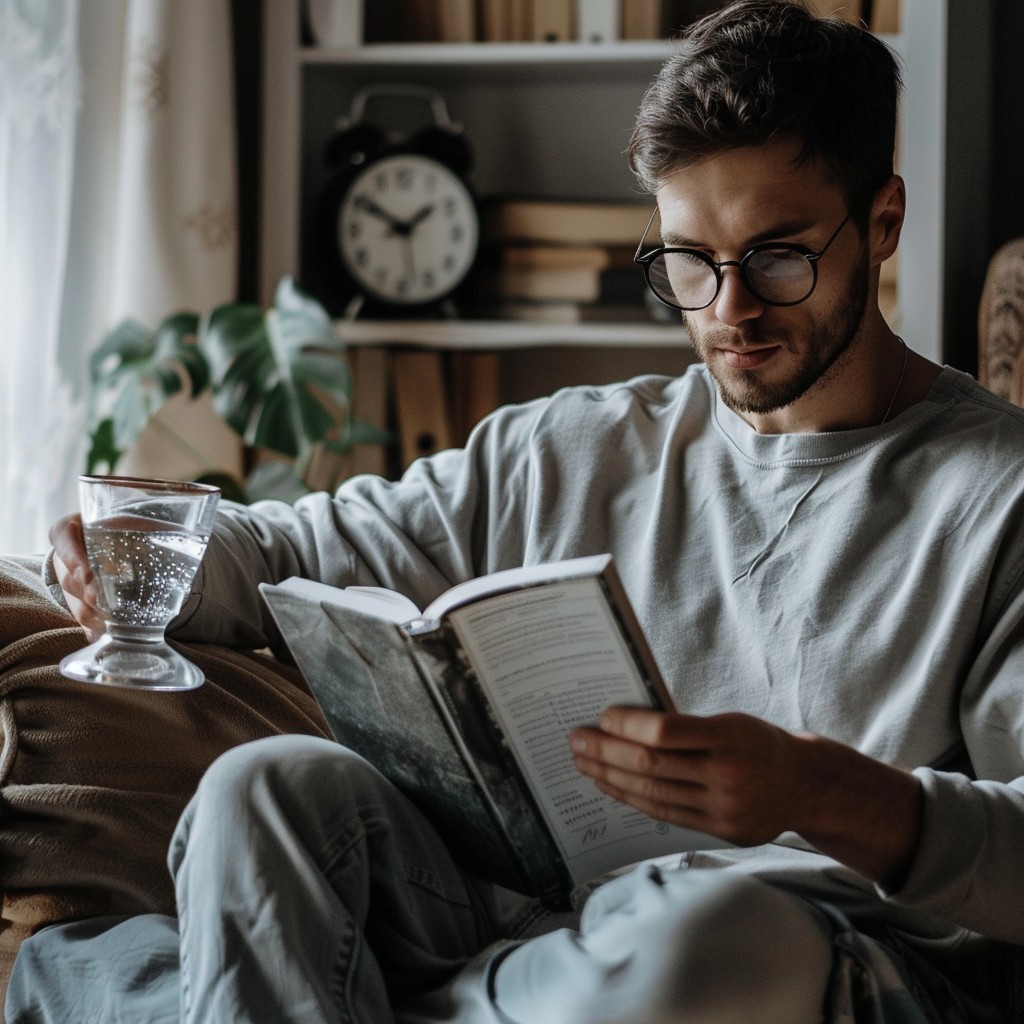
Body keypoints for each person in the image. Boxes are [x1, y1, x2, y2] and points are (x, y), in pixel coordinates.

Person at [11, 1, 1024, 1021]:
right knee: (263, 787)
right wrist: (141, 547)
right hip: (521, 926)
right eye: (686, 261)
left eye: (777, 255)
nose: (728, 309)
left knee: (714, 937)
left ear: (883, 220)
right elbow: (297, 548)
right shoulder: (566, 447)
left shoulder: (999, 495)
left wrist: (818, 792)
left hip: (780, 952)